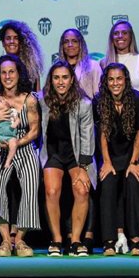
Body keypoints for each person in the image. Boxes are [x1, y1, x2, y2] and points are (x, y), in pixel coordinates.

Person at [0, 20, 43, 253]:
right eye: (4, 73)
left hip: (24, 147)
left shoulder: (30, 99)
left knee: (30, 187)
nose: (7, 76)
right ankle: (6, 240)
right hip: (0, 148)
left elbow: (35, 130)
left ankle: (21, 240)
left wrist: (19, 142)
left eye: (12, 72)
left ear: (19, 74)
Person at [38, 60, 95, 257]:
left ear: (72, 80)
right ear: (51, 80)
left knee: (81, 190)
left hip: (77, 155)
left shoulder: (84, 104)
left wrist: (83, 167)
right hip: (53, 153)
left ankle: (76, 241)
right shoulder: (42, 100)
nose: (60, 82)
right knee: (52, 191)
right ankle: (56, 240)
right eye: (56, 78)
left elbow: (87, 137)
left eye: (64, 77)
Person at [94, 63, 139, 256]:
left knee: (133, 184)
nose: (115, 83)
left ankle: (135, 240)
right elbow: (102, 134)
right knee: (107, 184)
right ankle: (109, 241)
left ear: (125, 80)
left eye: (119, 79)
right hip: (112, 154)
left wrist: (134, 162)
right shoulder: (100, 100)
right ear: (106, 82)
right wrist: (107, 162)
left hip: (134, 154)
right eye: (111, 79)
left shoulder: (138, 99)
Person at [100, 20, 139, 93]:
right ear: (112, 38)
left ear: (131, 37)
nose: (120, 36)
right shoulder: (104, 63)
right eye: (116, 33)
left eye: (124, 33)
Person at [58, 28, 101, 98]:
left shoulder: (93, 66)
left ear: (81, 44)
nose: (70, 44)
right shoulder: (57, 69)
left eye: (74, 41)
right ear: (62, 46)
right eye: (66, 42)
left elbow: (99, 94)